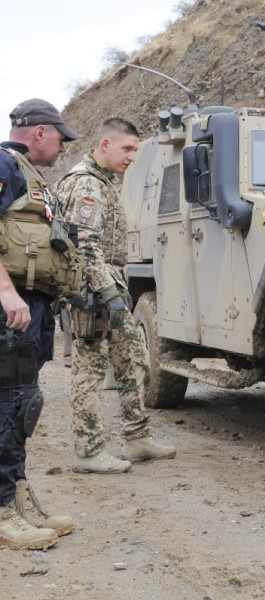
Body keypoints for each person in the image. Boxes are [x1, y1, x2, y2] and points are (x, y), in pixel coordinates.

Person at [56, 117, 176, 474]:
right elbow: (83, 244)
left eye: (135, 150)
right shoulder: (86, 184)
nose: (131, 157)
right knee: (89, 368)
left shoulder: (103, 181)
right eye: (126, 148)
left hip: (110, 285)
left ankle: (136, 437)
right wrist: (106, 291)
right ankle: (88, 449)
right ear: (104, 144)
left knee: (132, 359)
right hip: (92, 291)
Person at [1, 98, 82, 549]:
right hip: (10, 307)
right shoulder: (4, 165)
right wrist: (7, 293)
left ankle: (16, 497)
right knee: (10, 405)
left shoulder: (29, 175)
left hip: (32, 306)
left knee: (21, 404)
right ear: (39, 132)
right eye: (60, 137)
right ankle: (1, 511)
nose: (63, 146)